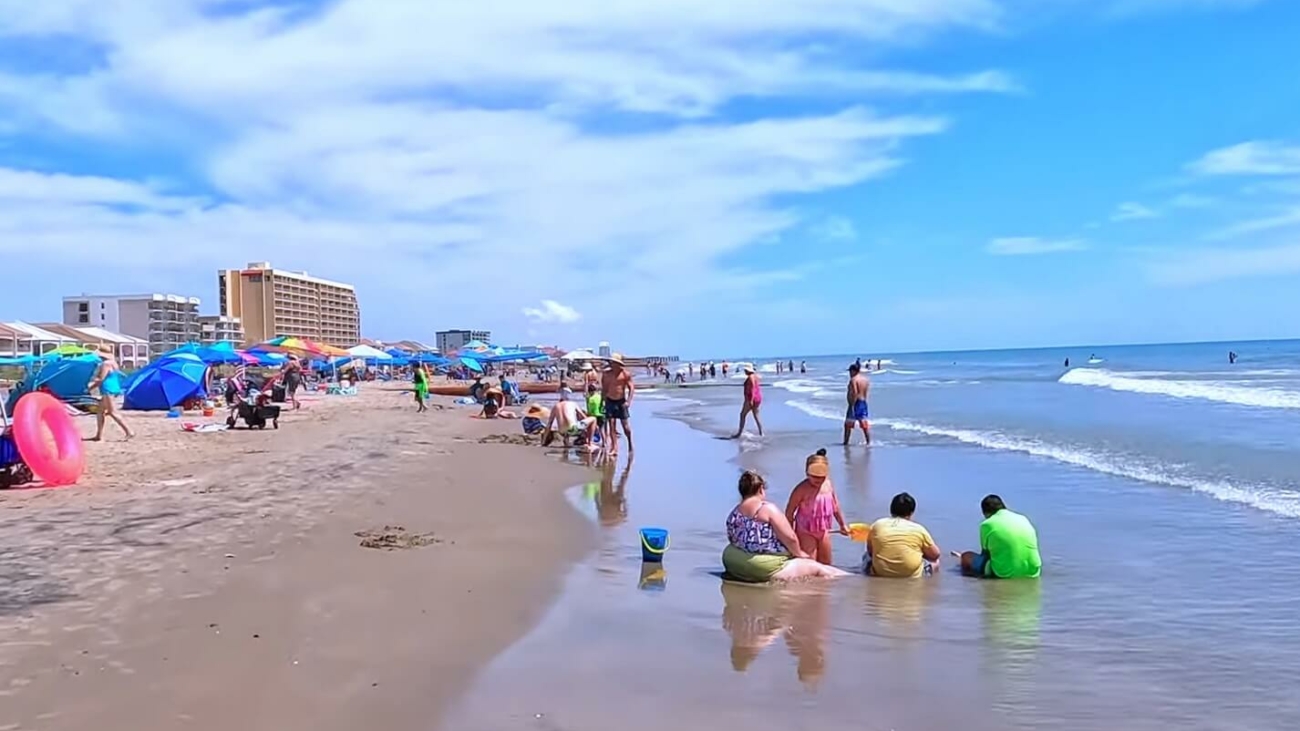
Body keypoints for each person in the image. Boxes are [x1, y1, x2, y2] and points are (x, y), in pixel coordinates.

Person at [722, 471, 849, 583]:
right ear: (761, 489)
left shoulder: (734, 512)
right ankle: (854, 579)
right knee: (818, 568)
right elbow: (791, 538)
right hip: (762, 567)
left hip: (732, 562)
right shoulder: (767, 509)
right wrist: (799, 554)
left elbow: (734, 538)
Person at [785, 449, 848, 565]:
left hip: (824, 530)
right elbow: (789, 512)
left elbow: (835, 506)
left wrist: (842, 524)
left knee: (826, 564)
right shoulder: (801, 489)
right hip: (805, 530)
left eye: (821, 477)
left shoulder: (828, 484)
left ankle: (824, 584)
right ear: (807, 473)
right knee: (810, 563)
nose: (818, 480)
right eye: (814, 477)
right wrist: (790, 534)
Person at [956, 494, 1042, 579]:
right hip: (1033, 571)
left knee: (966, 556)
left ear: (985, 513)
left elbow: (985, 554)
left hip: (1004, 573)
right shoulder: (1023, 518)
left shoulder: (987, 524)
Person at [864, 492, 941, 577]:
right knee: (936, 562)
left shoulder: (877, 525)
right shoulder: (919, 529)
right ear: (911, 512)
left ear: (891, 509)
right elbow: (935, 555)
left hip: (881, 573)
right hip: (911, 576)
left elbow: (870, 551)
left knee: (866, 556)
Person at [87, 345, 134, 441]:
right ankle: (98, 435)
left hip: (107, 389)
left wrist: (90, 387)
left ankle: (129, 431)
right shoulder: (113, 363)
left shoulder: (105, 364)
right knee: (100, 412)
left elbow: (101, 379)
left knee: (112, 412)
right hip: (113, 387)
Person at [601, 353, 634, 455]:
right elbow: (604, 389)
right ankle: (614, 447)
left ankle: (630, 443)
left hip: (621, 402)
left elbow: (631, 388)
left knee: (626, 427)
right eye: (611, 362)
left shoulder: (625, 374)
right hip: (610, 401)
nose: (611, 364)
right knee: (611, 425)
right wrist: (602, 402)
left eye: (614, 363)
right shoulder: (606, 374)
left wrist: (628, 401)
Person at [730, 364, 763, 438]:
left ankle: (739, 433)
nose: (744, 371)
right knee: (756, 415)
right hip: (758, 398)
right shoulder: (755, 376)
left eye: (745, 370)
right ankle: (761, 432)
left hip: (751, 398)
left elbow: (752, 389)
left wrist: (750, 400)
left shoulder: (750, 378)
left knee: (742, 415)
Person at [843, 363, 871, 445]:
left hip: (855, 403)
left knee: (848, 425)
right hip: (863, 402)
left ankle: (846, 442)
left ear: (853, 371)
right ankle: (868, 442)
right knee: (864, 424)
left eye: (850, 372)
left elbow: (855, 392)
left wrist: (852, 404)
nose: (849, 374)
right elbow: (865, 392)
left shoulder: (853, 380)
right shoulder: (865, 380)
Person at [585, 382, 606, 453]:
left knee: (591, 429)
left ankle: (589, 441)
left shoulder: (589, 398)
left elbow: (589, 408)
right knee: (601, 429)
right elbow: (603, 405)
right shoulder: (599, 396)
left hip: (594, 415)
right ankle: (604, 442)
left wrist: (588, 414)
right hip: (601, 414)